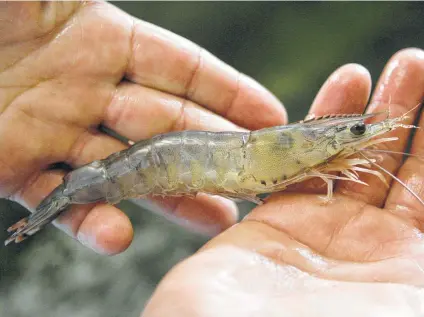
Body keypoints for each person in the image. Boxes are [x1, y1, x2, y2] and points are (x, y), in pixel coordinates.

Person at [1, 2, 424, 316]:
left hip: (195, 161)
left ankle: (42, 213)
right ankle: (48, 209)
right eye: (352, 130)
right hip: (157, 165)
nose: (357, 135)